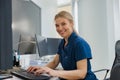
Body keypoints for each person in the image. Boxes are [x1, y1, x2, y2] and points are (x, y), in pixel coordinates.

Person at [27, 11, 98, 80]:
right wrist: (42, 68)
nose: (60, 28)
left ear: (71, 23)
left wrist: (55, 72)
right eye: (57, 25)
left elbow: (81, 74)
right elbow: (54, 62)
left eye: (63, 24)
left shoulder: (79, 43)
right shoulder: (62, 42)